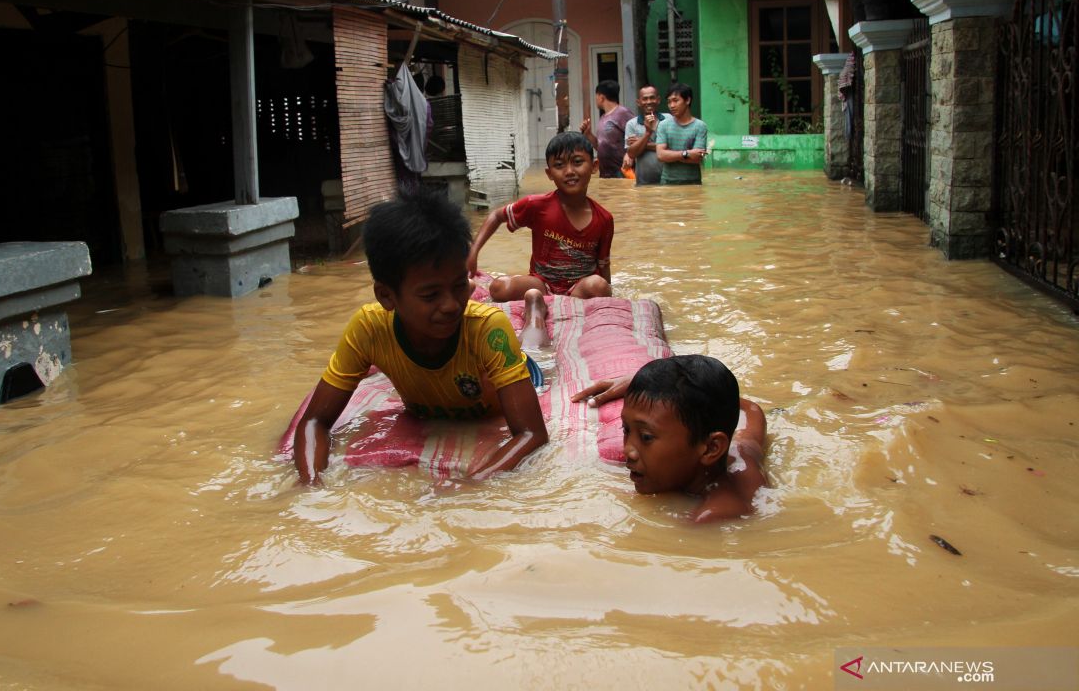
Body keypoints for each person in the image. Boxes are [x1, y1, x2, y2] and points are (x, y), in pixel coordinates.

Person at [292, 187, 548, 485]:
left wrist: (469, 484)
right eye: (431, 295)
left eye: (459, 286)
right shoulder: (368, 329)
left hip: (520, 372)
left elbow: (532, 433)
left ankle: (534, 307)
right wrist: (310, 483)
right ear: (386, 296)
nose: (451, 305)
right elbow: (314, 422)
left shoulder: (487, 328)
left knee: (535, 345)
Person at [570, 355, 767, 523]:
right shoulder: (742, 448)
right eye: (626, 429)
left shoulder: (715, 514)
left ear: (710, 449)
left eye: (646, 437)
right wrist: (651, 390)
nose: (628, 450)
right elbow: (751, 410)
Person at [467, 131, 614, 347]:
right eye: (559, 165)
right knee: (498, 288)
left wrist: (607, 292)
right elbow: (497, 215)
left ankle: (544, 305)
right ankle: (538, 300)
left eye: (577, 162)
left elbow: (603, 264)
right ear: (549, 173)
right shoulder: (538, 206)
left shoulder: (604, 219)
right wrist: (474, 252)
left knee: (599, 285)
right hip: (541, 283)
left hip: (579, 288)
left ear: (594, 166)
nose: (569, 171)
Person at [654, 83, 709, 185]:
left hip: (693, 183)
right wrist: (686, 154)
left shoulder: (700, 126)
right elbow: (660, 155)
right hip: (667, 182)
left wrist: (670, 155)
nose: (671, 106)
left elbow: (697, 158)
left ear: (687, 100)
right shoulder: (663, 125)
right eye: (669, 102)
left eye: (675, 100)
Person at [580, 80, 635, 178]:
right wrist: (588, 134)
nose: (596, 99)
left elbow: (636, 139)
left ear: (601, 97)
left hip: (622, 172)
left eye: (596, 96)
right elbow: (599, 146)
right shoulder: (602, 118)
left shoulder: (623, 113)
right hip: (605, 173)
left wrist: (630, 155)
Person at [622, 84, 671, 186]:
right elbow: (631, 153)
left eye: (652, 98)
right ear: (638, 102)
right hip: (643, 183)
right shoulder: (632, 124)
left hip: (668, 181)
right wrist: (647, 133)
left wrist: (641, 143)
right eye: (645, 99)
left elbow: (672, 146)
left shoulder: (668, 119)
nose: (649, 102)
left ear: (658, 100)